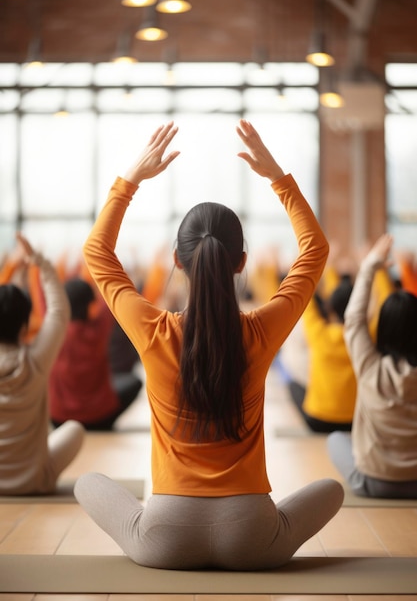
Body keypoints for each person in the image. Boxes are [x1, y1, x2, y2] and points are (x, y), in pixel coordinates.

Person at [74, 120, 344, 570]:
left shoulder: (153, 330)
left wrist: (129, 183)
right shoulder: (260, 331)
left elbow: (96, 253)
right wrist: (278, 177)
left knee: (87, 481)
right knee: (333, 489)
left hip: (163, 540)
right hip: (254, 538)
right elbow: (314, 249)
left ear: (177, 261)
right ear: (241, 263)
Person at [327, 234, 417, 498]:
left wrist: (369, 265)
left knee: (335, 439)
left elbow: (353, 319)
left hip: (373, 483)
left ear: (383, 329)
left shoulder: (370, 367)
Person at [0, 233, 85, 496]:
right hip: (35, 480)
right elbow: (59, 310)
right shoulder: (36, 359)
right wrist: (39, 262)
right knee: (74, 429)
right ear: (26, 325)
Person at [49, 277, 142, 431]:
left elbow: (42, 298)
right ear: (91, 302)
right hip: (99, 418)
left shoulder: (54, 331)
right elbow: (112, 295)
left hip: (59, 419)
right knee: (134, 382)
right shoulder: (99, 329)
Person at [288, 273, 357, 433]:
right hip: (352, 420)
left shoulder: (318, 332)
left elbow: (306, 299)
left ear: (329, 307)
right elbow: (384, 297)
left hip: (318, 420)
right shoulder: (363, 337)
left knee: (292, 384)